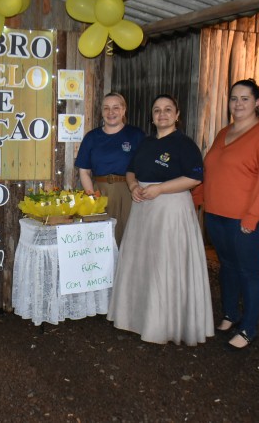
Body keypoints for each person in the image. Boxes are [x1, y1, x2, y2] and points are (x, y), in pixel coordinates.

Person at [107, 95, 213, 345]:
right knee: (141, 262)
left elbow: (195, 177)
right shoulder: (146, 143)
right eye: (157, 110)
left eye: (167, 110)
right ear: (152, 116)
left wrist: (161, 189)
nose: (162, 114)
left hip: (170, 209)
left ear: (177, 115)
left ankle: (164, 322)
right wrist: (133, 186)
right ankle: (137, 317)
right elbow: (131, 170)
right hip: (143, 207)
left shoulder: (185, 145)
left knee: (165, 264)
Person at [201, 79, 259, 350]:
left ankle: (249, 328)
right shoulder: (225, 132)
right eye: (234, 98)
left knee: (249, 271)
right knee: (227, 266)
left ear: (257, 103)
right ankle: (230, 314)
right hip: (216, 214)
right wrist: (198, 199)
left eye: (245, 98)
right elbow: (212, 170)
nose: (238, 104)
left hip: (246, 218)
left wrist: (252, 217)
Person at [75, 92, 145, 243]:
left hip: (129, 192)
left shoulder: (136, 135)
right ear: (101, 111)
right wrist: (92, 198)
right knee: (101, 240)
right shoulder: (91, 137)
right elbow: (84, 171)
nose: (111, 112)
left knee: (129, 238)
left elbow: (145, 168)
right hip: (100, 192)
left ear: (124, 110)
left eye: (116, 107)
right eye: (106, 108)